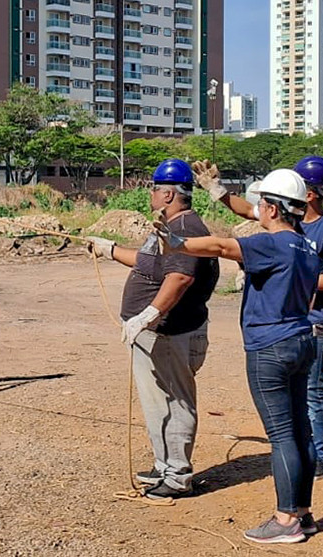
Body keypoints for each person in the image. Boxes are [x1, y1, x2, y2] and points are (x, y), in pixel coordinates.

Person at [155, 168, 321, 544]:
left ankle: (285, 520)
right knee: (300, 431)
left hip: (269, 347)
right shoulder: (307, 246)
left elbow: (221, 247)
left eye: (262, 204)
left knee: (281, 436)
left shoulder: (271, 244)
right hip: (300, 340)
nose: (258, 210)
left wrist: (178, 243)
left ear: (275, 209)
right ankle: (303, 513)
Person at [193, 156, 323, 479]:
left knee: (313, 391)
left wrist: (290, 273)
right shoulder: (290, 221)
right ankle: (308, 457)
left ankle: (322, 459)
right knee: (298, 403)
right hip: (291, 321)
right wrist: (217, 190)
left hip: (315, 319)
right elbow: (245, 209)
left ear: (309, 194)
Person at [86, 158, 219, 501]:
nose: (150, 194)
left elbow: (181, 277)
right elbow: (151, 264)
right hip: (156, 334)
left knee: (175, 402)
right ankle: (165, 466)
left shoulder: (186, 228)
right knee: (158, 403)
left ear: (169, 194)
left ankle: (177, 476)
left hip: (171, 333)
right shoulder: (169, 224)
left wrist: (147, 315)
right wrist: (110, 249)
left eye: (155, 188)